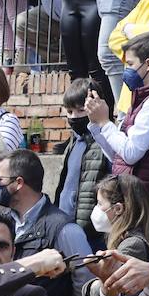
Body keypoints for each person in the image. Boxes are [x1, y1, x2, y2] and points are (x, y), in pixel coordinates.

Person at [0, 149, 94, 296]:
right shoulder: (4, 224)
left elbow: (85, 289)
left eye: (0, 180)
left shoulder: (64, 229)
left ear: (18, 183)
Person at [86, 31, 149, 225]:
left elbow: (131, 153)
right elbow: (118, 155)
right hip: (130, 196)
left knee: (142, 253)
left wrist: (105, 122)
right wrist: (97, 124)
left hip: (146, 201)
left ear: (148, 64)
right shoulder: (139, 101)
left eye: (130, 64)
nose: (126, 70)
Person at [53, 78, 112, 237]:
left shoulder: (105, 142)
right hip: (66, 223)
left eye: (80, 111)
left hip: (93, 229)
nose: (74, 117)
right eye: (70, 111)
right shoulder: (73, 142)